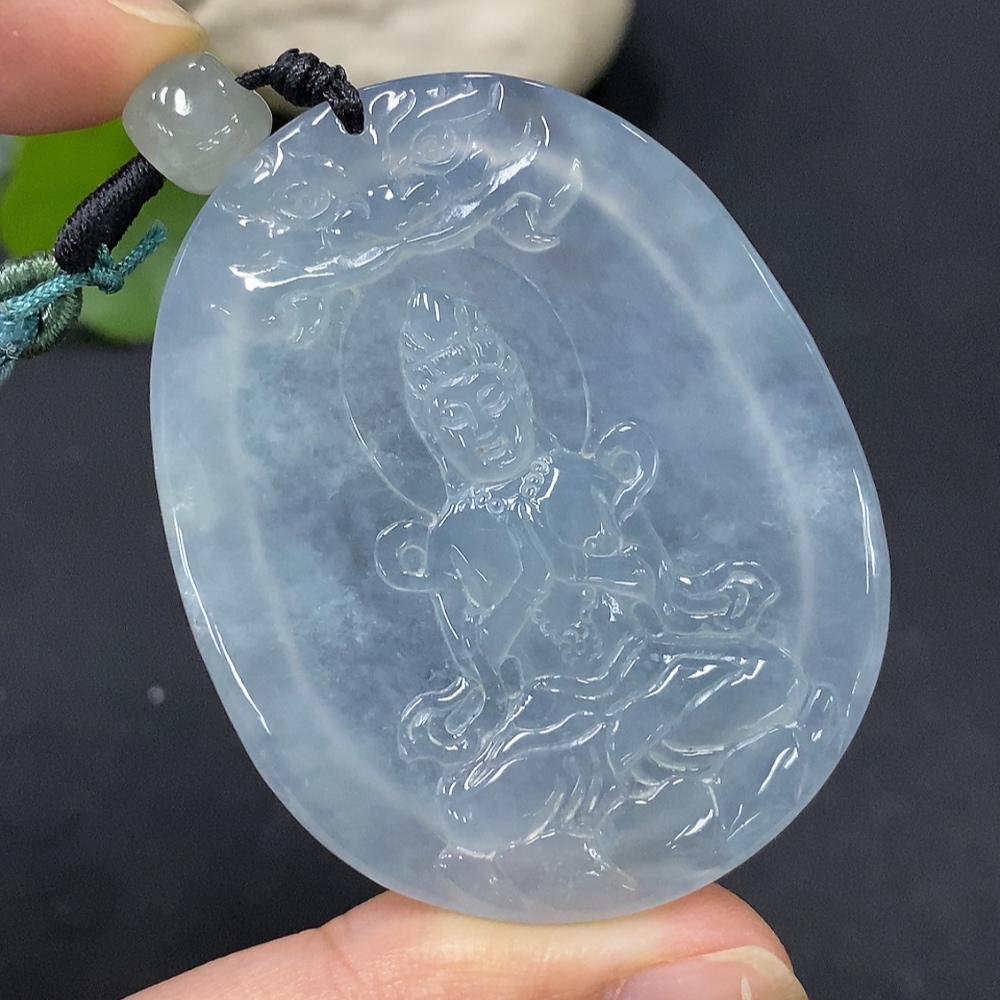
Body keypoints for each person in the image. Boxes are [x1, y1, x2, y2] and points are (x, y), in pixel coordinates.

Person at [0, 3, 809, 998]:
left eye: (486, 387)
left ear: (521, 382)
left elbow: (648, 588)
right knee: (488, 809)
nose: (478, 412)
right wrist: (526, 586)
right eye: (450, 406)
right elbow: (491, 671)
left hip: (646, 681)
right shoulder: (459, 530)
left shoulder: (579, 476)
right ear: (426, 431)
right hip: (558, 729)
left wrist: (614, 577)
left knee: (763, 675)